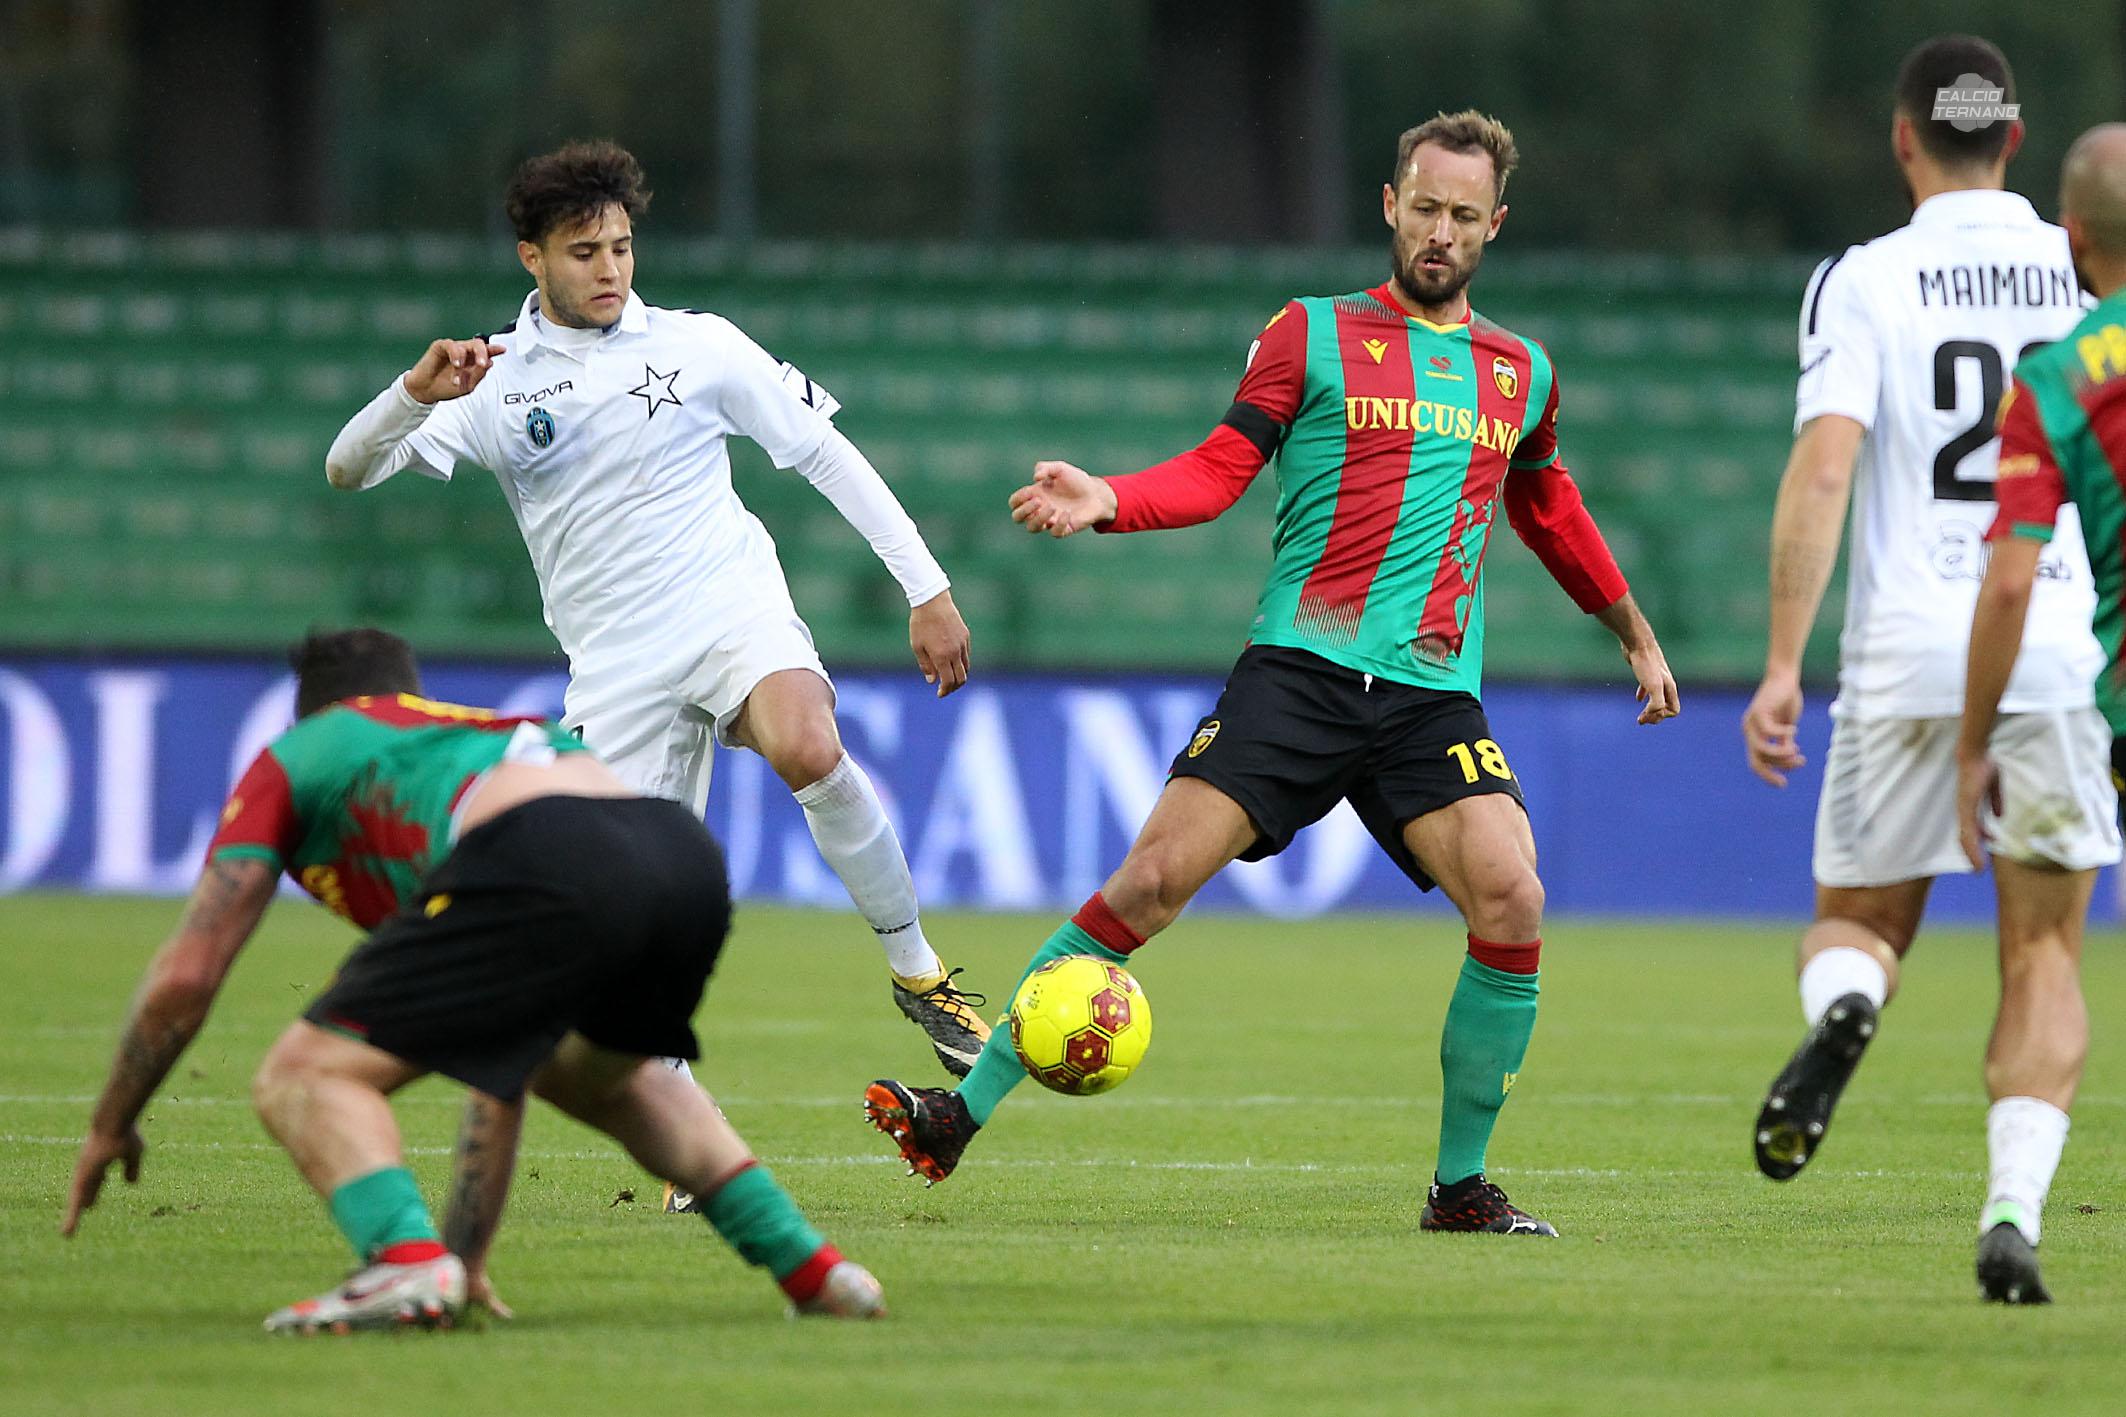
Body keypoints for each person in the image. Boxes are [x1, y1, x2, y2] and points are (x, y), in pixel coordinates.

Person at [862, 111, 1680, 1235]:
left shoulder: (1520, 373)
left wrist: (1631, 631)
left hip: (1429, 694)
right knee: (1150, 881)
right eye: (1422, 207)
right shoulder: (1311, 333)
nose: (1438, 231)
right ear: (1388, 206)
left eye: (1461, 215)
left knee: (1511, 892)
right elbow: (1215, 469)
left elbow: (1546, 506)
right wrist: (1111, 499)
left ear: (1493, 225)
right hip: (1298, 669)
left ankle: (1459, 1185)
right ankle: (956, 1115)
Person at [320, 140, 990, 1122]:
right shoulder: (489, 382)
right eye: (584, 251)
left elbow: (821, 453)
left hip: (727, 603)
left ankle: (917, 971)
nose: (609, 270)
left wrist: (924, 588)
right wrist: (411, 397)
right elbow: (346, 468)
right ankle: (684, 1128)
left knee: (808, 742)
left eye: (622, 248)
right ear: (530, 257)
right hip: (614, 660)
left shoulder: (700, 343)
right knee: (621, 924)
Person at [61, 628, 884, 1330]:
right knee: (597, 1077)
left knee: (302, 1074)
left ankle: (402, 1259)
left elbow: (190, 971)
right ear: (406, 695)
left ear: (312, 709)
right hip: (676, 854)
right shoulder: (479, 734)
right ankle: (815, 1271)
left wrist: (111, 1121)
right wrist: (469, 1256)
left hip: (538, 851)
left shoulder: (302, 752)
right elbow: (506, 1055)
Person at [1740, 36, 2118, 1260]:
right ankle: (2009, 1208)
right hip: (2058, 647)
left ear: (1901, 139)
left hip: (1906, 648)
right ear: (2012, 140)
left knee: (1853, 920)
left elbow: (1823, 468)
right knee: (2044, 949)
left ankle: (1846, 1010)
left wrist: (1783, 665)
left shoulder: (1859, 279)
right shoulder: (2087, 274)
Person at [1957, 121, 2126, 1304]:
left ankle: (2014, 1202)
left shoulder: (2059, 375)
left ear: (2069, 236)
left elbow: (2012, 578)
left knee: (2043, 952)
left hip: (2092, 702)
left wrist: (1970, 743)